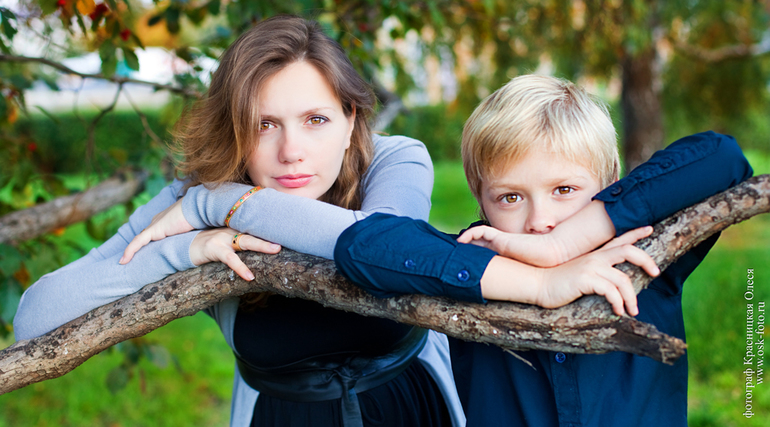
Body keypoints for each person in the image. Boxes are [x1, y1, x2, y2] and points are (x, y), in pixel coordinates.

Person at [14, 15, 465, 427]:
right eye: (263, 125)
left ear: (350, 121)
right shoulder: (198, 189)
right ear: (233, 131)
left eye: (315, 119)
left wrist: (216, 205)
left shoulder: (393, 159)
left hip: (410, 408)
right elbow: (35, 317)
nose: (291, 151)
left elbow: (388, 250)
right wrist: (182, 251)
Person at [334, 75, 754, 426]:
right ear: (480, 199)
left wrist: (566, 243)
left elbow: (725, 158)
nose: (540, 220)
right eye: (511, 198)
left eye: (564, 190)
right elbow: (361, 245)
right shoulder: (474, 255)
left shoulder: (642, 251)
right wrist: (539, 281)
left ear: (609, 181)